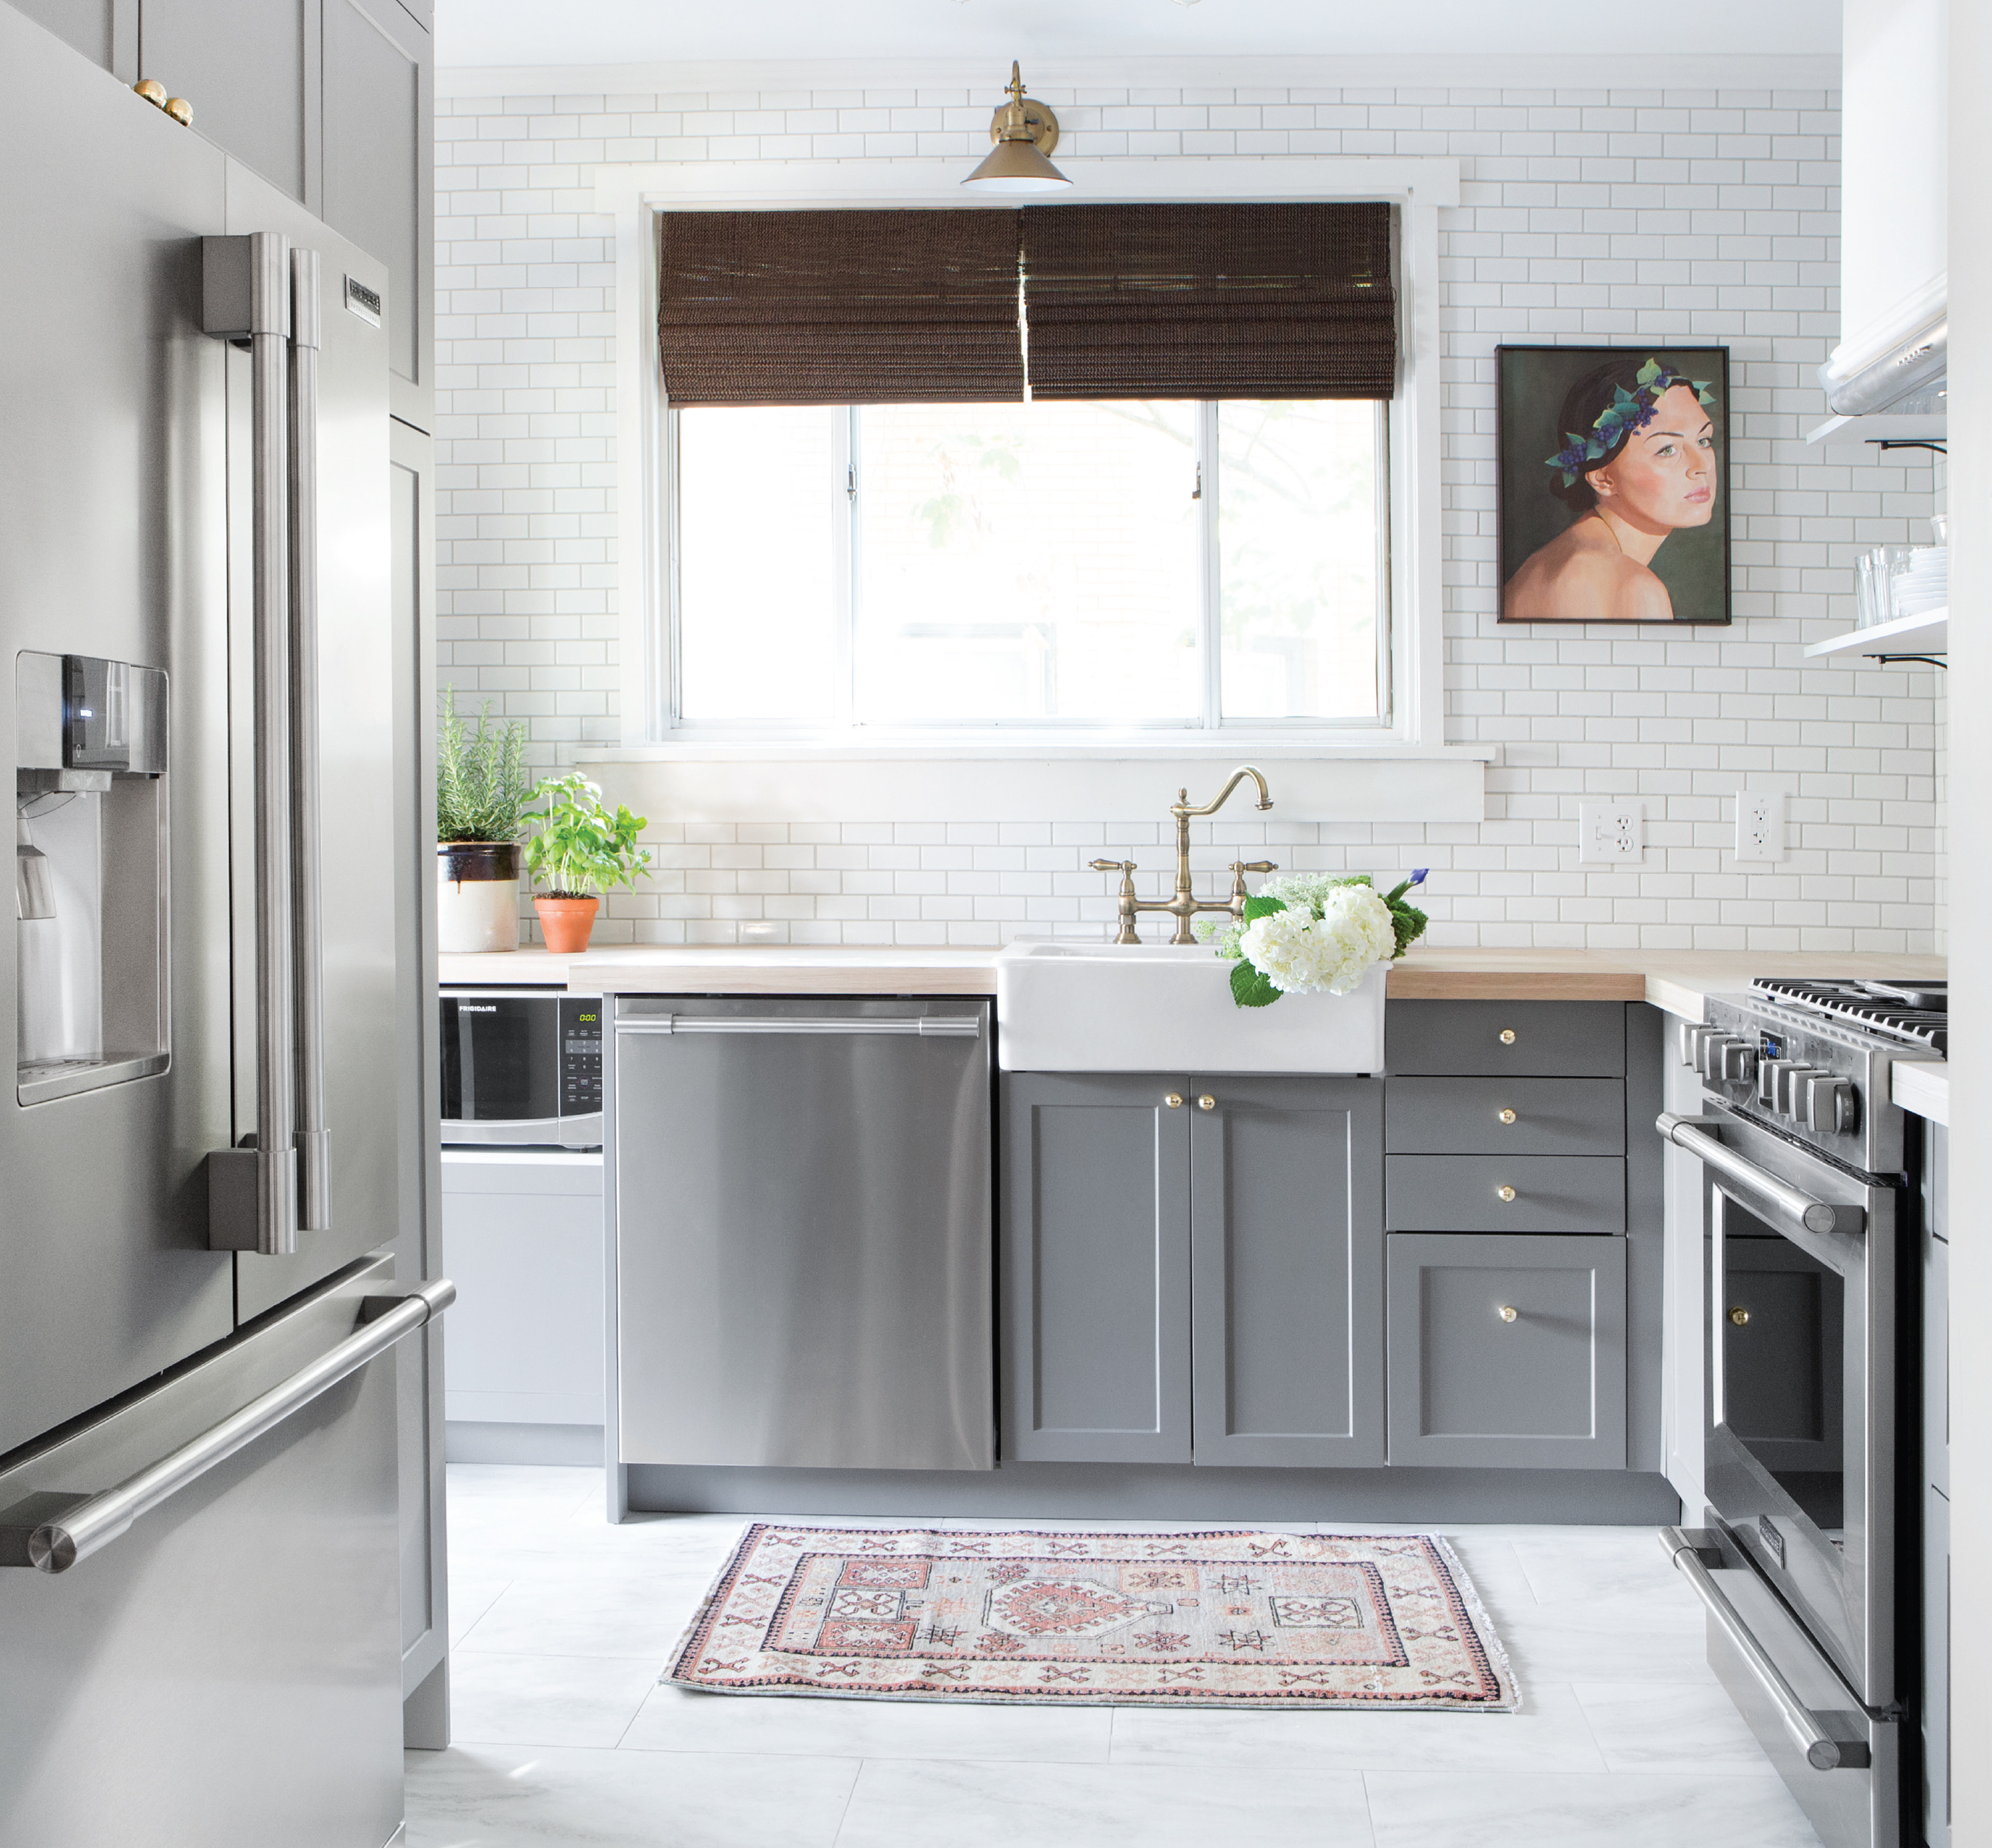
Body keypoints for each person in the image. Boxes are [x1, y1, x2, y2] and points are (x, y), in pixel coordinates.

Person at [1503, 356, 1719, 622]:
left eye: (1704, 440)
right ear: (1603, 478)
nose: (1700, 466)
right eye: (1667, 450)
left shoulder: (1552, 562)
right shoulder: (1633, 589)